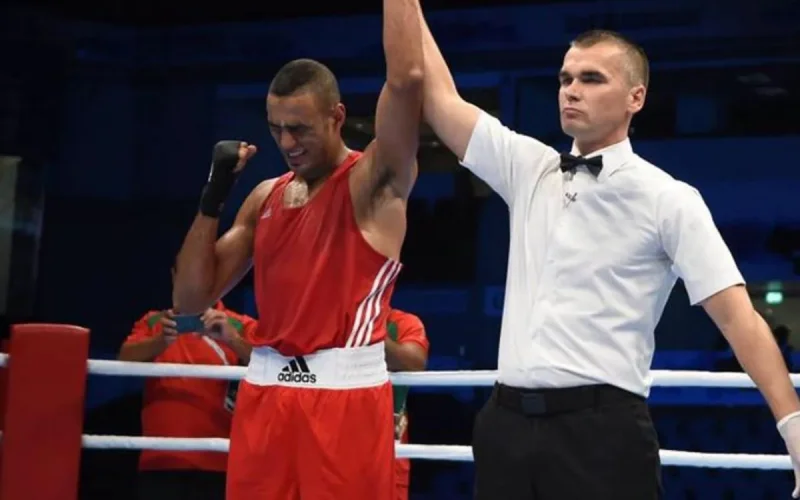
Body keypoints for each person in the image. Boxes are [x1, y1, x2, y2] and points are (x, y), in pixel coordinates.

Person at [414, 16, 800, 500]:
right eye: (565, 79)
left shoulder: (668, 198)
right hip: (504, 428)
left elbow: (738, 318)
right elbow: (439, 99)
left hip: (601, 436)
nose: (571, 90)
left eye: (591, 79)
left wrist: (794, 427)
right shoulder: (529, 167)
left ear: (635, 98)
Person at [171, 0, 424, 497]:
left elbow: (408, 79)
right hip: (265, 394)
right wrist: (214, 192)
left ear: (337, 117)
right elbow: (190, 300)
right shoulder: (265, 195)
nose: (287, 141)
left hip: (345, 399)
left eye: (300, 128)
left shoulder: (372, 182)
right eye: (276, 128)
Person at [118, 269, 255, 500]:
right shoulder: (154, 321)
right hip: (161, 462)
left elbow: (273, 367)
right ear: (174, 277)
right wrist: (160, 341)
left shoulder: (239, 324)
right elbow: (124, 360)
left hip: (219, 463)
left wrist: (231, 339)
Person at [385, 308, 429, 500]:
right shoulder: (330, 324)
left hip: (390, 455)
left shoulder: (402, 322)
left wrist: (368, 333)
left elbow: (415, 362)